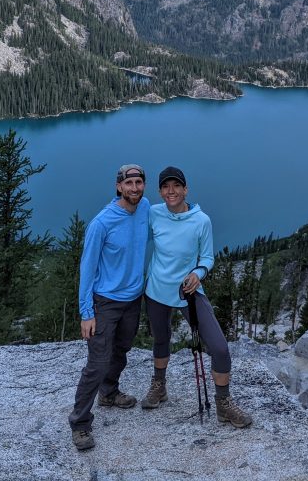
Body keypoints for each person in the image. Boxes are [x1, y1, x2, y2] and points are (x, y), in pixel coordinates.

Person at [140, 166, 252, 428]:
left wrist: (198, 272)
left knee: (220, 349)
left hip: (188, 291)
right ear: (160, 191)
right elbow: (135, 237)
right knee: (161, 339)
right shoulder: (154, 214)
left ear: (185, 189)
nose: (171, 192)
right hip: (156, 290)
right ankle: (160, 386)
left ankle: (223, 404)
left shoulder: (201, 220)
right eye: (166, 187)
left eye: (176, 186)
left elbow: (207, 257)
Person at [68, 163, 150, 451]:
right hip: (105, 302)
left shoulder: (145, 208)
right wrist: (86, 312)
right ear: (118, 186)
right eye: (129, 184)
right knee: (97, 362)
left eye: (139, 182)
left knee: (121, 349)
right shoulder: (101, 223)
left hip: (132, 300)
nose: (135, 189)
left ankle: (109, 392)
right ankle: (80, 423)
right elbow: (87, 269)